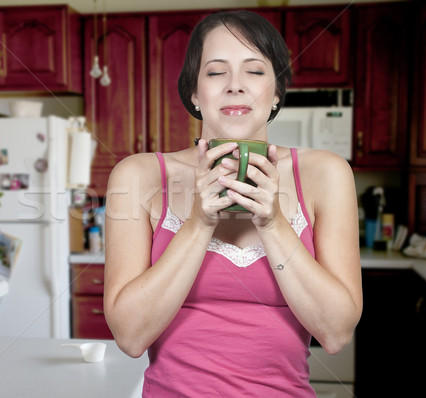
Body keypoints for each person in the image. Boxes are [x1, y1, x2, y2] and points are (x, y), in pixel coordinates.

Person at [104, 10, 362, 397]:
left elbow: (336, 333)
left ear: (276, 91)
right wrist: (198, 223)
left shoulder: (327, 173)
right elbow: (130, 336)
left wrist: (273, 222)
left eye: (255, 71)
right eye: (215, 71)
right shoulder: (138, 175)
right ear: (194, 92)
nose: (235, 85)